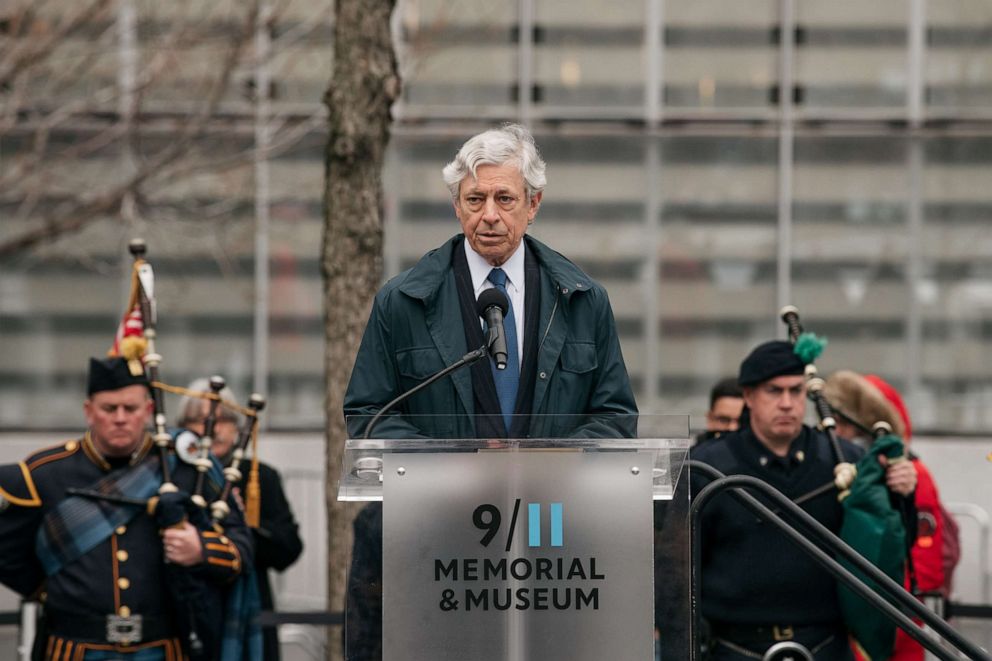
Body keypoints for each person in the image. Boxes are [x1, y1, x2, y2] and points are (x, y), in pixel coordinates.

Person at [342, 123, 638, 660]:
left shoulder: (582, 299)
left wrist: (550, 464)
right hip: (438, 541)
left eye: (505, 198)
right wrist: (457, 467)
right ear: (456, 206)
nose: (490, 215)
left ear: (534, 204)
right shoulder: (403, 302)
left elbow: (615, 415)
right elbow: (368, 416)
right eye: (474, 199)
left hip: (552, 546)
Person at [0, 357, 254, 660]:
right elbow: (9, 554)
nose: (120, 418)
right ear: (89, 411)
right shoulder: (46, 473)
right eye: (109, 409)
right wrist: (58, 591)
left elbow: (242, 548)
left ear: (147, 411)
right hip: (75, 647)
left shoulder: (187, 470)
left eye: (130, 409)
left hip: (162, 647)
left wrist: (201, 549)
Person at [690, 340, 917, 660]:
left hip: (827, 646)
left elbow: (884, 543)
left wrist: (902, 494)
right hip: (734, 648)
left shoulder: (845, 459)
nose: (787, 403)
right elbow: (678, 565)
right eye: (774, 391)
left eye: (796, 391)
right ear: (748, 396)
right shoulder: (708, 465)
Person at [824, 370, 959, 661]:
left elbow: (925, 559)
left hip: (895, 616)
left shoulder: (909, 474)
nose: (836, 431)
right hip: (855, 611)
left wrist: (896, 613)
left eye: (844, 422)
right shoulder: (847, 470)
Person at [177, 379, 304, 661]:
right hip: (189, 606)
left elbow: (288, 550)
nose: (213, 428)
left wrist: (239, 530)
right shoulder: (174, 475)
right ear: (182, 428)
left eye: (223, 419)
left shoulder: (258, 476)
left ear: (237, 428)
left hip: (249, 606)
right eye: (200, 420)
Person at [695, 376, 744, 446]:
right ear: (710, 419)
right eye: (723, 420)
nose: (732, 428)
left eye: (741, 421)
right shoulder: (693, 455)